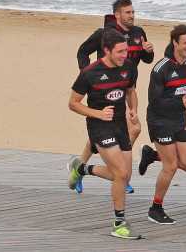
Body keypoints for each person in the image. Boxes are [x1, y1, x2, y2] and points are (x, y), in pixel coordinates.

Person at [72, 0, 154, 193]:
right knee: (129, 129)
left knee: (123, 131)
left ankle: (86, 167)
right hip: (103, 92)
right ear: (117, 15)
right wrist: (89, 76)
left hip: (127, 88)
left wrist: (148, 51)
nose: (132, 16)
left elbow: (147, 60)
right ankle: (116, 173)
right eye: (128, 12)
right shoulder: (104, 34)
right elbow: (82, 52)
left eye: (133, 12)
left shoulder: (138, 33)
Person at [67, 28, 141, 239]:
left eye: (126, 51)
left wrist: (133, 110)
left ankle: (82, 168)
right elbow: (73, 103)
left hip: (120, 124)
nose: (124, 56)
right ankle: (119, 223)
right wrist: (97, 113)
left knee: (124, 175)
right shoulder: (89, 73)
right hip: (99, 126)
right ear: (106, 50)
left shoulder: (128, 68)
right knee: (119, 173)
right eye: (120, 52)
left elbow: (130, 91)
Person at [135, 24, 186, 225]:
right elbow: (155, 102)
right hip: (159, 120)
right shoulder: (161, 68)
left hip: (179, 120)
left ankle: (151, 155)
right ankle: (155, 208)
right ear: (175, 42)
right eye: (185, 43)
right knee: (170, 165)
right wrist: (179, 103)